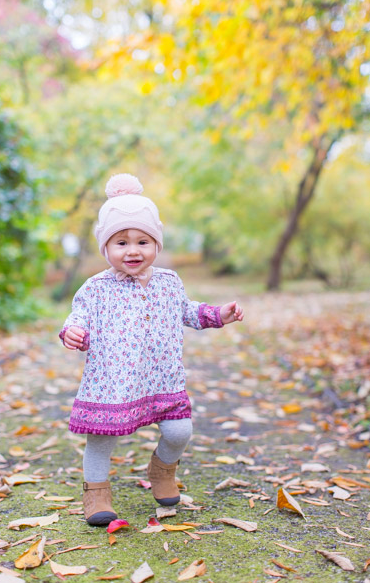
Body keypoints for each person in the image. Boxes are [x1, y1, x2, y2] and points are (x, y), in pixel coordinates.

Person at [59, 173, 244, 526]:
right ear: (105, 247)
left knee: (179, 431)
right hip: (110, 381)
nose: (133, 251)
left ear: (156, 245)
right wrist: (73, 332)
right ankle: (96, 492)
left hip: (162, 377)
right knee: (100, 439)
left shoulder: (169, 282)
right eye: (121, 242)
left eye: (143, 241)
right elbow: (76, 316)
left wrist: (220, 314)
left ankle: (162, 471)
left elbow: (188, 311)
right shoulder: (95, 287)